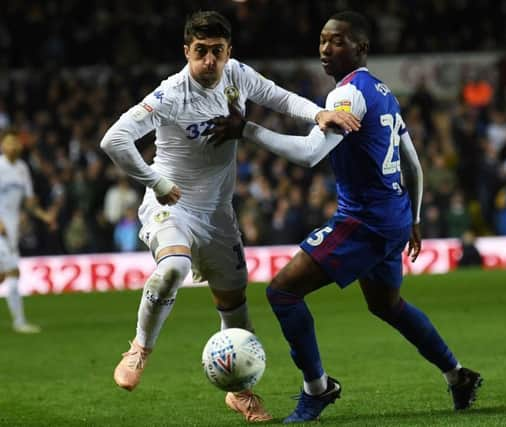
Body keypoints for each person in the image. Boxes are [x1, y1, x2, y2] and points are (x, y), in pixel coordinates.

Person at [210, 11, 482, 423]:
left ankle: (317, 389)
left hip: (365, 220)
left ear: (362, 48)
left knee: (282, 292)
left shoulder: (347, 95)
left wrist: (246, 129)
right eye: (322, 39)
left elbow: (309, 154)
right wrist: (414, 217)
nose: (325, 48)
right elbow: (413, 163)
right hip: (393, 216)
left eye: (337, 41)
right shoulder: (383, 91)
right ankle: (457, 374)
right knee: (387, 305)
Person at [99, 10, 359, 423]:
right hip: (171, 207)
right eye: (200, 51)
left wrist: (317, 114)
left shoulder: (236, 75)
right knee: (173, 267)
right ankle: (140, 348)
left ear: (228, 51)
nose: (209, 61)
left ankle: (240, 392)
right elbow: (114, 139)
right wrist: (155, 181)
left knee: (235, 309)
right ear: (187, 51)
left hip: (218, 216)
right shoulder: (170, 95)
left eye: (217, 51)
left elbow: (278, 96)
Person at [0, 131, 56, 333]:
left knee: (2, 276)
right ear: (2, 146)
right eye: (8, 143)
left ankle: (19, 321)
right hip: (1, 230)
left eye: (15, 142)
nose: (12, 146)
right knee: (13, 271)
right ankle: (19, 322)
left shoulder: (22, 168)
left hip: (12, 229)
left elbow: (29, 202)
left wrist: (44, 216)